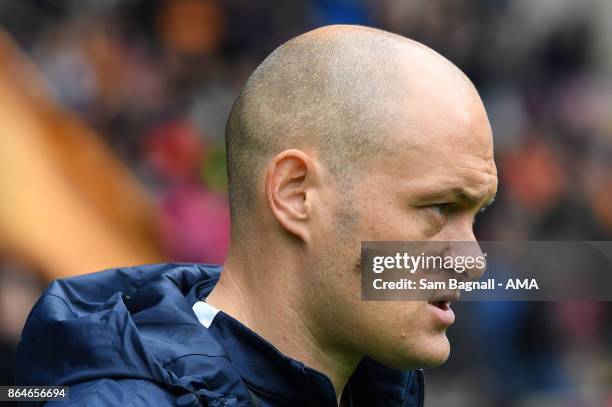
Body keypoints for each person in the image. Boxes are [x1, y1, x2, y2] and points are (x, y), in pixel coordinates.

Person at [16, 25, 497, 406]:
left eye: (475, 215)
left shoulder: (377, 387)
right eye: (439, 207)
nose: (472, 260)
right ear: (296, 194)